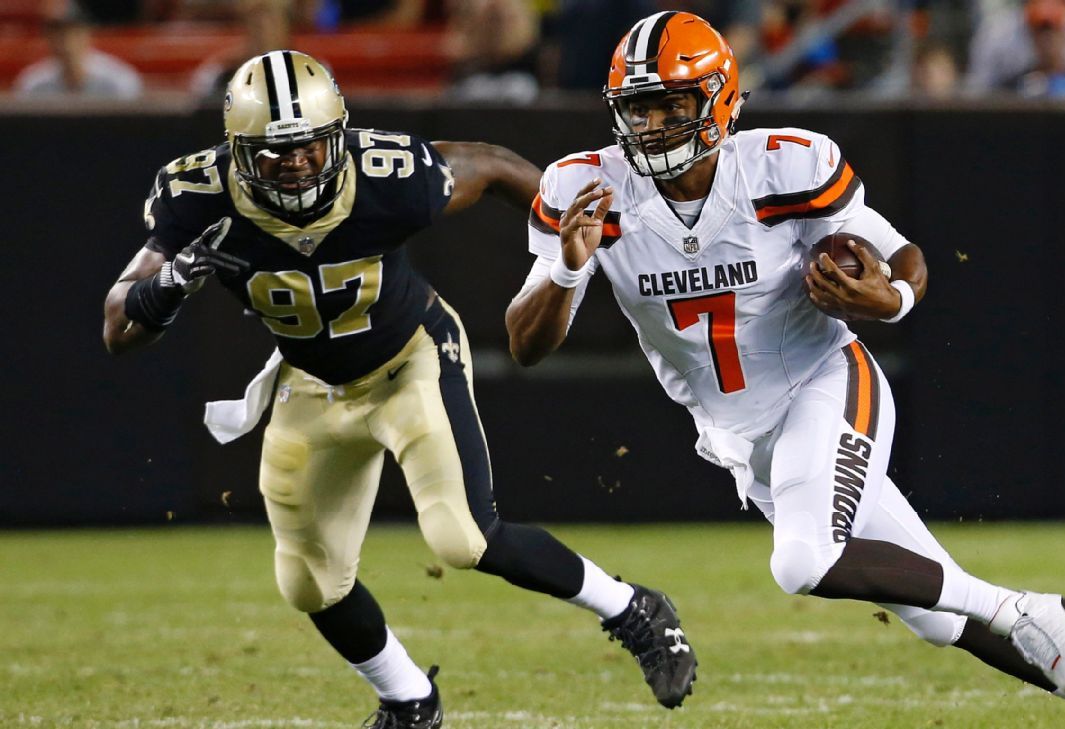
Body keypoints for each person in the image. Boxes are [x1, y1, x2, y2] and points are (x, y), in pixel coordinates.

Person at [505, 11, 1065, 729]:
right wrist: (564, 266)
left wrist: (891, 298)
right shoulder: (583, 188)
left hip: (825, 383)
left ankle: (1018, 607)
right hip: (740, 439)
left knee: (802, 562)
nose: (651, 125)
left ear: (717, 100)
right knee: (934, 613)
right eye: (638, 107)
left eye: (670, 105)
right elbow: (525, 343)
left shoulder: (785, 164)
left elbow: (901, 257)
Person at [101, 50, 697, 728]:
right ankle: (409, 699)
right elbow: (119, 327)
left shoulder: (391, 177)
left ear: (339, 137)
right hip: (310, 381)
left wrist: (576, 235)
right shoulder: (197, 197)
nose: (297, 163)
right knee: (308, 580)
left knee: (463, 536)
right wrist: (168, 286)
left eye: (309, 146)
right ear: (238, 153)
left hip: (409, 360)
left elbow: (493, 163)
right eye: (276, 152)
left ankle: (634, 608)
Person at [14, 0, 142, 99]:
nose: (64, 42)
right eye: (57, 33)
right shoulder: (34, 83)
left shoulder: (117, 80)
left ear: (86, 34)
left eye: (72, 32)